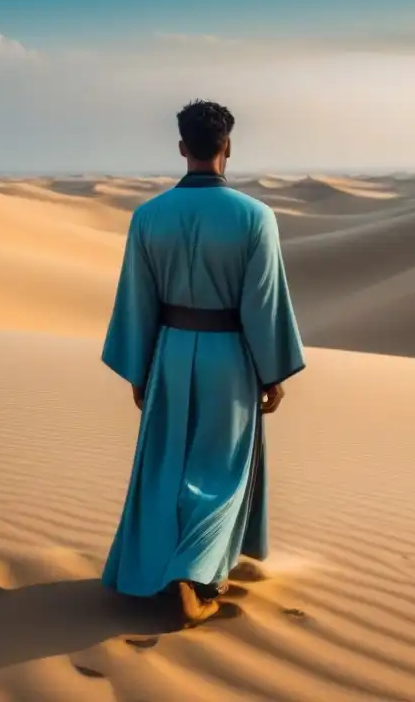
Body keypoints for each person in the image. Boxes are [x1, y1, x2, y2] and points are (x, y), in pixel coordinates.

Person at [100, 99, 306, 624]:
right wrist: (272, 371)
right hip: (230, 359)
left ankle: (149, 571)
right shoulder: (256, 217)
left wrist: (140, 368)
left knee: (165, 465)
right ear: (227, 147)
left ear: (181, 148)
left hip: (169, 352)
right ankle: (193, 574)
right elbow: (264, 303)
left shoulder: (148, 217)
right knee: (221, 472)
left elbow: (135, 300)